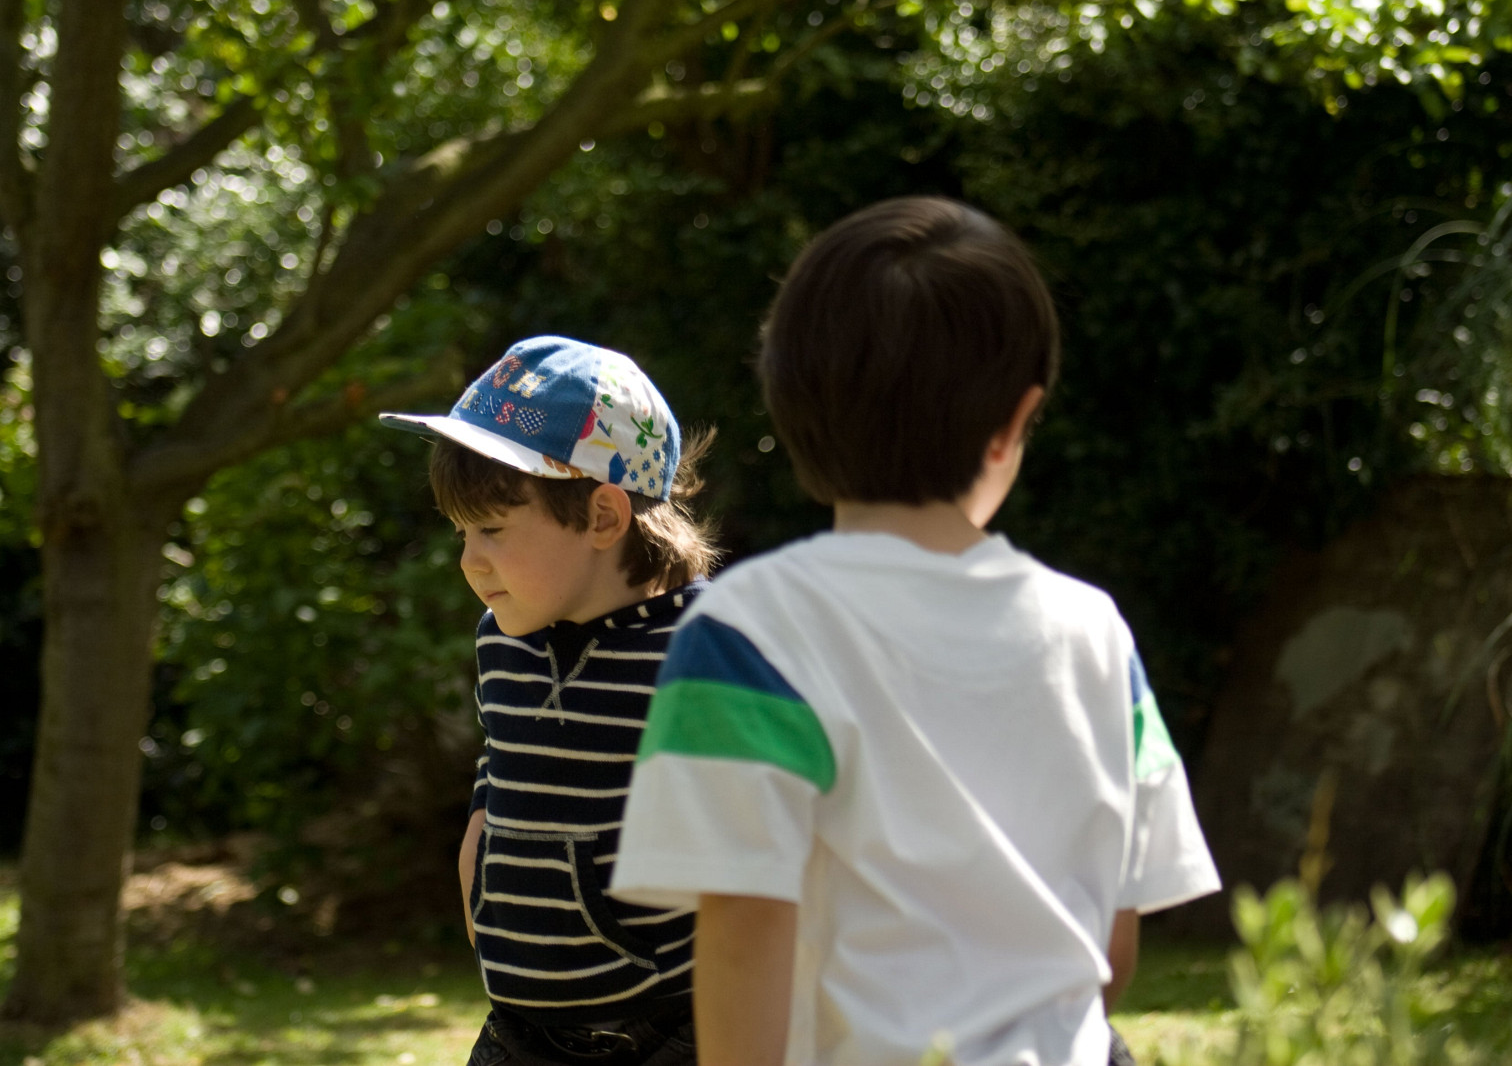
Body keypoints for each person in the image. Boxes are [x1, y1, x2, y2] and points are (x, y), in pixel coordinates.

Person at [608, 198, 1222, 1066]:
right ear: (1016, 421)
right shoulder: (1096, 634)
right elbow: (1112, 944)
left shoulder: (747, 631)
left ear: (789, 404)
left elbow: (744, 928)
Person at [381, 335, 720, 1066]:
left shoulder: (709, 653)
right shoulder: (504, 639)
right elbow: (506, 765)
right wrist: (479, 847)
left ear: (603, 517)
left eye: (492, 529)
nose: (469, 561)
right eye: (462, 532)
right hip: (519, 1031)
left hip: (666, 1034)